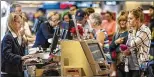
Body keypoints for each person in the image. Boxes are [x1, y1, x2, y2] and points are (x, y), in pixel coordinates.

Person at [1, 13, 34, 77]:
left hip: (16, 70)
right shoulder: (8, 37)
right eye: (18, 22)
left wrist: (25, 58)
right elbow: (7, 54)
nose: (21, 25)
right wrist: (21, 58)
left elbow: (19, 52)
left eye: (21, 22)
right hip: (9, 72)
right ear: (12, 23)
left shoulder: (17, 35)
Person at [124, 8, 151, 77]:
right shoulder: (133, 29)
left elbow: (133, 44)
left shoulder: (145, 30)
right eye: (128, 18)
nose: (128, 21)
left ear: (137, 19)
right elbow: (127, 46)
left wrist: (132, 30)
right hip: (129, 65)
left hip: (140, 66)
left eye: (130, 18)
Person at [110, 12, 128, 77]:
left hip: (126, 62)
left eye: (124, 20)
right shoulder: (116, 33)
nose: (122, 22)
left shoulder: (129, 33)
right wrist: (116, 42)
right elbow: (111, 48)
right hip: (117, 62)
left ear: (127, 22)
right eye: (120, 21)